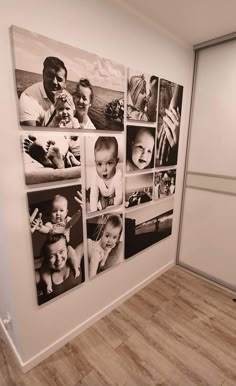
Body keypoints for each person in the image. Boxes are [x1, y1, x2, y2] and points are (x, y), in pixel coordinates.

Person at [31, 194, 81, 294]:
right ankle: (48, 284)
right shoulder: (50, 225)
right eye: (54, 211)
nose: (58, 214)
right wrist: (40, 227)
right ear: (50, 213)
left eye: (61, 211)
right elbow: (45, 230)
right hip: (51, 249)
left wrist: (79, 213)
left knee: (72, 251)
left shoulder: (67, 222)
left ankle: (76, 268)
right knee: (45, 266)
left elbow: (73, 221)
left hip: (65, 246)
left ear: (66, 212)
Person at [19, 56, 74, 126]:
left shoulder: (68, 97)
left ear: (65, 84)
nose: (54, 82)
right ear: (43, 75)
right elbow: (32, 135)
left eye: (59, 79)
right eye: (50, 76)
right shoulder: (28, 97)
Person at [37, 233, 83, 303]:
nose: (58, 258)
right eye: (52, 256)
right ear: (46, 258)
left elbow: (87, 244)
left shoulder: (75, 257)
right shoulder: (43, 273)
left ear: (67, 250)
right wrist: (48, 285)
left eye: (61, 251)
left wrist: (76, 268)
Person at [89, 136, 123, 212]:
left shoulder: (118, 174)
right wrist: (93, 212)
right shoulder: (95, 175)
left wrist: (112, 205)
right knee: (91, 194)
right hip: (101, 196)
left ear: (116, 162)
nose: (104, 169)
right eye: (99, 164)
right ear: (95, 163)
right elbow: (94, 196)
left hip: (112, 197)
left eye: (109, 163)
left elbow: (119, 197)